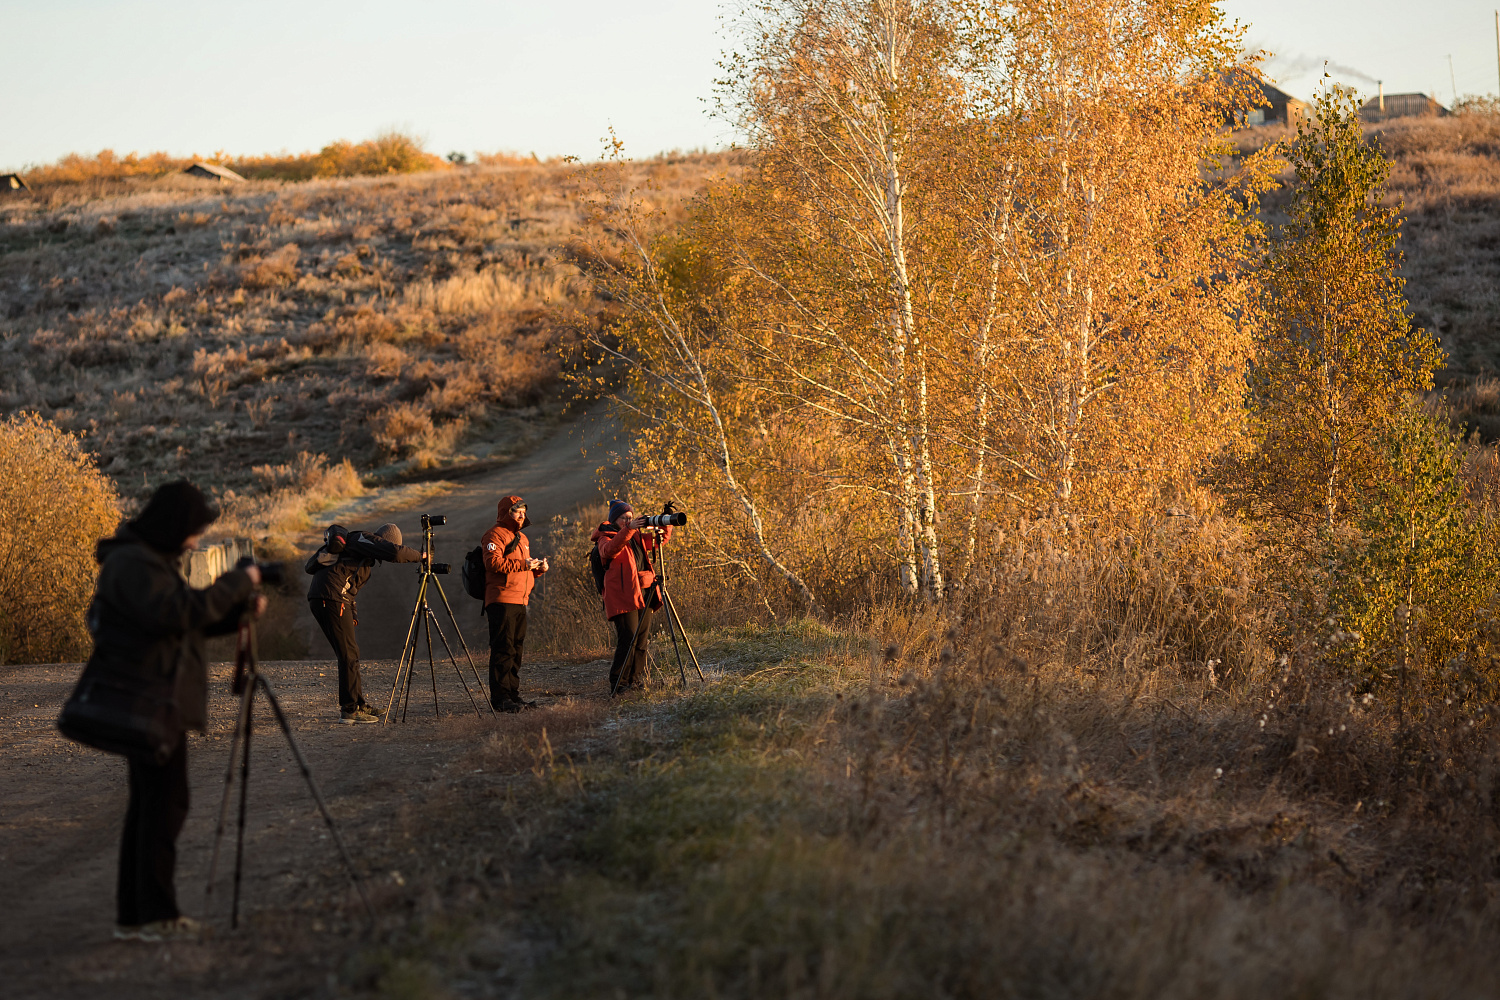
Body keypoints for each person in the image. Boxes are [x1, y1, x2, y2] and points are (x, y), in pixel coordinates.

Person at [88, 480, 266, 942]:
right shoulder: (133, 565)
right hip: (148, 700)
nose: (194, 542)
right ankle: (156, 916)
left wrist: (236, 614)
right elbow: (177, 612)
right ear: (171, 525)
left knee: (151, 806)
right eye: (192, 531)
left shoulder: (143, 561)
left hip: (153, 698)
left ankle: (135, 916)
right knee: (164, 807)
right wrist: (237, 582)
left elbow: (179, 622)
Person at [305, 522, 425, 723]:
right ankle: (350, 710)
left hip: (330, 598)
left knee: (351, 653)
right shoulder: (363, 538)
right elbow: (395, 553)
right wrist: (421, 557)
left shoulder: (361, 553)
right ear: (385, 539)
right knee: (348, 655)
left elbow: (348, 586)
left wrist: (353, 612)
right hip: (330, 599)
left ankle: (358, 704)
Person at [591, 499, 672, 695]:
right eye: (623, 518)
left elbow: (657, 543)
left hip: (644, 592)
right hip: (622, 595)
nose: (628, 521)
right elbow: (609, 551)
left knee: (641, 640)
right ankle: (618, 683)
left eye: (630, 517)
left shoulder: (636, 537)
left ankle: (635, 681)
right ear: (614, 520)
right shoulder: (605, 537)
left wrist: (665, 523)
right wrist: (630, 529)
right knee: (628, 638)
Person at [482, 495, 549, 711]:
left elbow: (520, 571)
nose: (522, 515)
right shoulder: (494, 534)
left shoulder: (523, 538)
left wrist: (537, 569)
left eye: (523, 511)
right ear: (505, 512)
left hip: (520, 600)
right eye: (517, 511)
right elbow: (493, 563)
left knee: (516, 649)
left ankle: (512, 695)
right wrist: (523, 564)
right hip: (501, 599)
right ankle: (501, 699)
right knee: (503, 648)